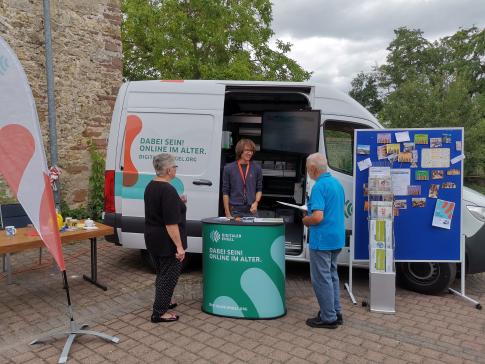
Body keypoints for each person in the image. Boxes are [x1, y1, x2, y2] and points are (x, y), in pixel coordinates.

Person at [302, 153, 345, 329]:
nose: (308, 172)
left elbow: (318, 217)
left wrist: (306, 220)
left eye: (307, 169)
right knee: (332, 275)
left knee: (321, 279)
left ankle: (328, 318)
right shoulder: (337, 183)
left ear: (312, 168)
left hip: (322, 239)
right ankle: (336, 311)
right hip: (336, 237)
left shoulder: (319, 187)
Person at [144, 153, 186, 323]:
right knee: (168, 276)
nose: (175, 169)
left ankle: (165, 301)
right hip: (166, 240)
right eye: (174, 166)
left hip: (152, 236)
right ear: (169, 170)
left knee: (162, 273)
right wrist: (179, 247)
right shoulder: (168, 189)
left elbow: (159, 209)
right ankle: (159, 312)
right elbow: (170, 223)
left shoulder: (151, 185)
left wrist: (178, 202)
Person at [222, 139, 263, 218]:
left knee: (253, 230)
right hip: (235, 210)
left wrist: (256, 202)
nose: (250, 153)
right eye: (247, 150)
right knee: (236, 231)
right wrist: (227, 213)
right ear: (240, 150)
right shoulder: (228, 168)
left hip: (252, 209)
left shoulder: (257, 168)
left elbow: (259, 189)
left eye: (251, 151)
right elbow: (225, 192)